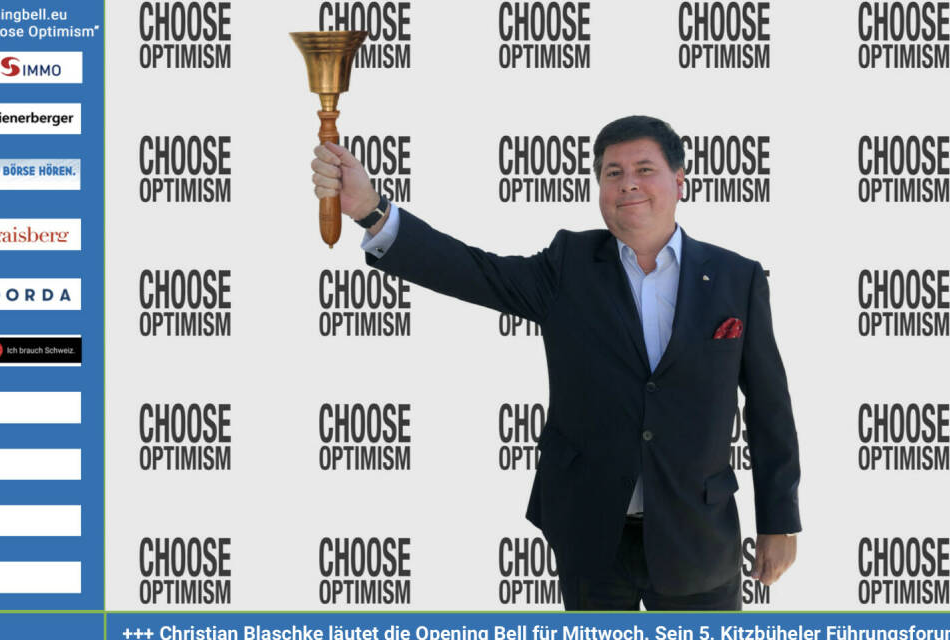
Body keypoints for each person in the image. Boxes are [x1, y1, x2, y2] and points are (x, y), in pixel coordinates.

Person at [310, 115, 800, 611]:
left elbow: (769, 407)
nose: (628, 183)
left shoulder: (737, 278)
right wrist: (372, 211)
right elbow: (474, 272)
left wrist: (778, 522)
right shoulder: (570, 264)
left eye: (644, 169)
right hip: (591, 535)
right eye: (612, 173)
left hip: (698, 536)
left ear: (680, 181)